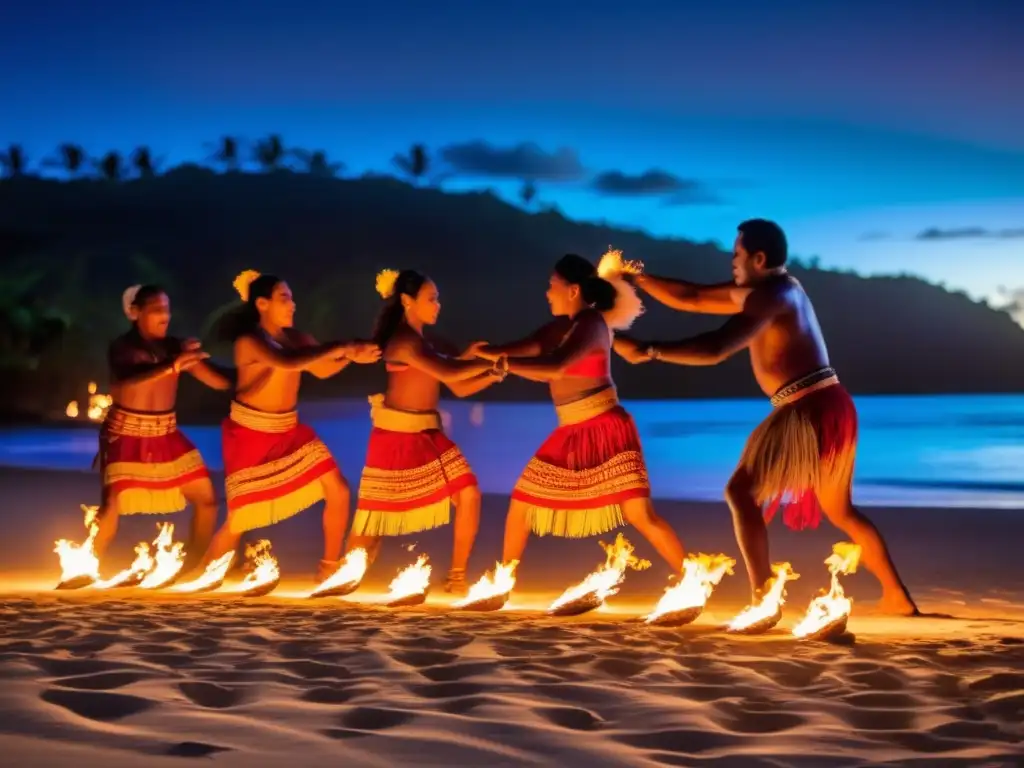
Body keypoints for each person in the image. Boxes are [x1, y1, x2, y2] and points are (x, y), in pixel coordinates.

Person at [614, 218, 918, 617]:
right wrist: (635, 278)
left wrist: (649, 350)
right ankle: (896, 596)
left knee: (741, 493)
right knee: (840, 511)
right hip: (829, 403)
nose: (732, 262)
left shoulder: (771, 296)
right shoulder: (771, 290)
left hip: (807, 408)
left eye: (737, 255)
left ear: (758, 258)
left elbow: (716, 348)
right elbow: (691, 296)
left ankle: (763, 598)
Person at [465, 254, 687, 577]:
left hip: (605, 427)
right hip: (571, 429)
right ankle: (504, 581)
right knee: (523, 502)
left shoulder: (591, 324)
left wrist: (505, 365)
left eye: (552, 286)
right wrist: (485, 353)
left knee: (640, 514)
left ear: (572, 290)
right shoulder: (563, 327)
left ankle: (690, 577)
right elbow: (529, 349)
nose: (547, 293)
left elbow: (556, 367)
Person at [197, 270, 380, 580]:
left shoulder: (297, 339)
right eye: (284, 298)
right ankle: (204, 573)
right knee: (239, 519)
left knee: (337, 488)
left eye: (292, 298)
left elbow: (321, 369)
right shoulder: (250, 341)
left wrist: (351, 355)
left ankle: (329, 569)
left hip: (289, 430)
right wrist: (346, 346)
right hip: (251, 434)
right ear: (262, 304)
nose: (292, 304)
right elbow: (289, 363)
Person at [343, 269, 505, 594]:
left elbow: (455, 385)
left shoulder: (422, 343)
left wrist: (493, 373)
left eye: (438, 298)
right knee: (369, 532)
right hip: (394, 438)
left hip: (430, 435)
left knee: (469, 494)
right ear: (407, 301)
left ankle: (457, 576)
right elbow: (448, 370)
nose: (438, 305)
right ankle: (339, 574)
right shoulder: (402, 342)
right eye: (431, 298)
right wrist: (494, 363)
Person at [93, 284, 231, 568]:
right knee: (111, 507)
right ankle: (88, 562)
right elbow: (126, 384)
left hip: (167, 434)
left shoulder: (173, 348)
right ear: (135, 313)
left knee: (207, 501)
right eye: (156, 309)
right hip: (126, 433)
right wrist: (173, 365)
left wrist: (250, 367)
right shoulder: (123, 348)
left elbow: (219, 382)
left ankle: (194, 565)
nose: (164, 315)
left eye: (166, 309)